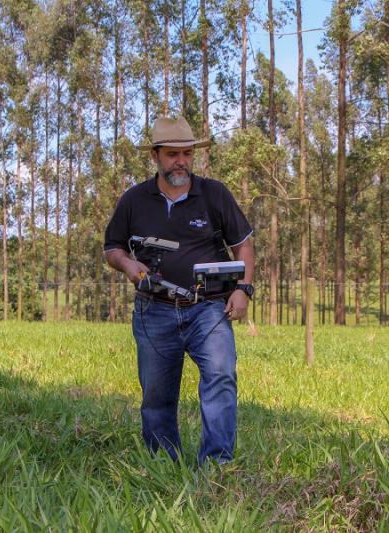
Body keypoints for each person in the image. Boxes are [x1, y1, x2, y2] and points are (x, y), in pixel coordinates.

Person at [104, 116, 255, 464]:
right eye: (172, 154)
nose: (181, 161)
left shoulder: (214, 194)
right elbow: (113, 249)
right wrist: (129, 266)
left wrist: (244, 289)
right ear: (155, 156)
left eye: (187, 153)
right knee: (157, 395)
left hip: (209, 309)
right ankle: (163, 465)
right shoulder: (134, 200)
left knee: (220, 377)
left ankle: (216, 466)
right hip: (153, 309)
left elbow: (244, 247)